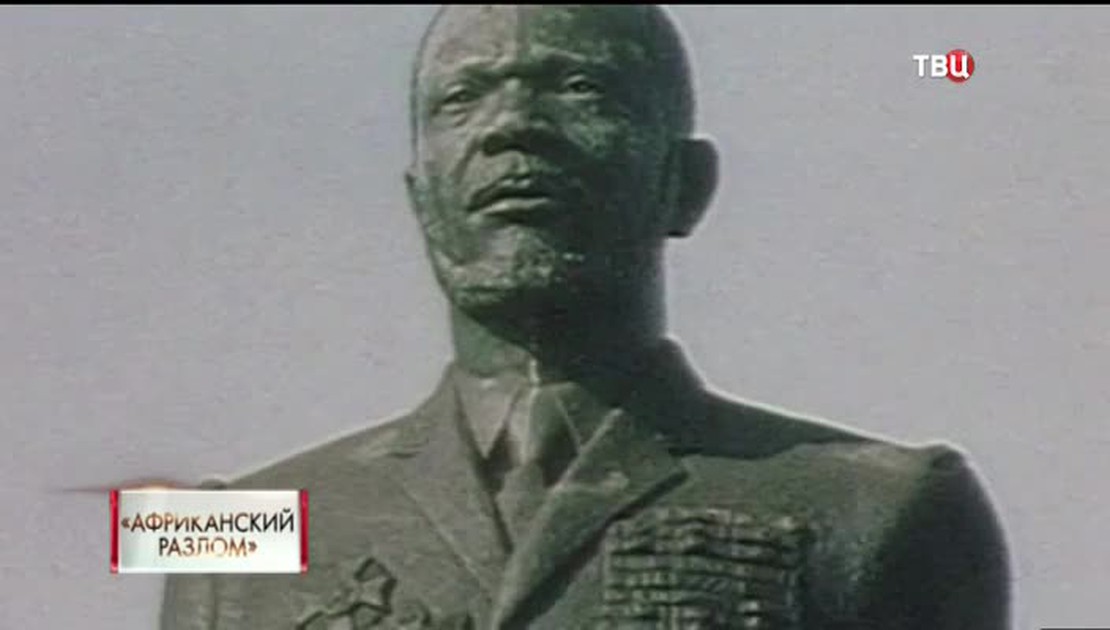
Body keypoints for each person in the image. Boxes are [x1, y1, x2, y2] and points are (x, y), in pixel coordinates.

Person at [161, 5, 1010, 629]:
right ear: (419, 201)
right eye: (462, 97)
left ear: (686, 185)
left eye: (580, 87)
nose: (512, 126)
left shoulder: (886, 507)